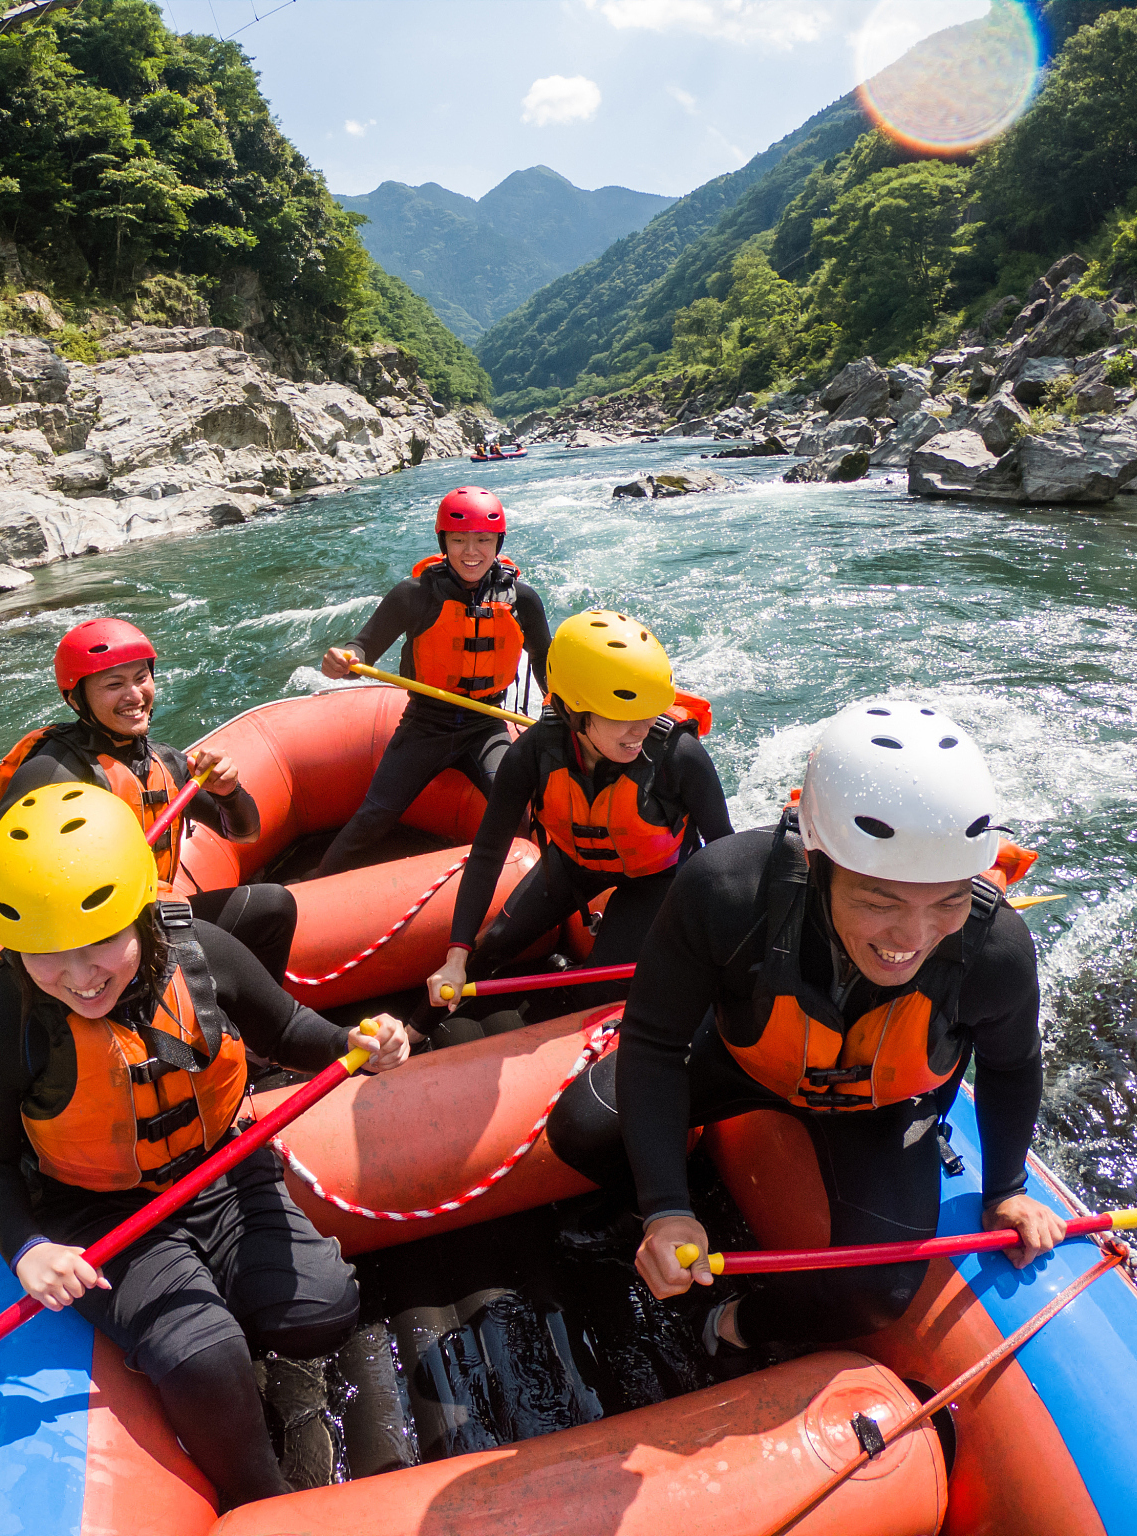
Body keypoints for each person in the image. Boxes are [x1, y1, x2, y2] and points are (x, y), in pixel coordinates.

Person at [543, 699, 1067, 1356]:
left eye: (948, 901)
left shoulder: (996, 952)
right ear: (814, 860)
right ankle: (678, 1195)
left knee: (877, 1293)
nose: (912, 938)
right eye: (880, 901)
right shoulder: (727, 893)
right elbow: (652, 1042)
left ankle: (728, 1326)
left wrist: (1007, 1188)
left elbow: (1012, 1066)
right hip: (742, 1060)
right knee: (580, 1130)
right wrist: (666, 1205)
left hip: (881, 1107)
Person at [0, 784, 413, 1511]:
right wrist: (27, 1248)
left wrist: (351, 1043)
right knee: (200, 1356)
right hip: (100, 1213)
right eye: (46, 953)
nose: (80, 974)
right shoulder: (0, 1027)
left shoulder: (202, 951)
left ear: (140, 914)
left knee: (324, 1309)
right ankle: (261, 1499)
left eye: (100, 939)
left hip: (221, 1174)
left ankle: (237, 1330)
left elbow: (289, 1030)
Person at [417, 610, 733, 1036]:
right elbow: (489, 852)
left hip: (656, 878)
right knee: (490, 947)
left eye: (648, 712)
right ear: (573, 711)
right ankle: (415, 1032)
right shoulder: (531, 754)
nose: (640, 730)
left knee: (601, 989)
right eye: (622, 716)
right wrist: (455, 955)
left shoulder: (679, 756)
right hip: (572, 863)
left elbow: (723, 854)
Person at [0, 617, 297, 982]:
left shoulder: (165, 762)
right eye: (114, 684)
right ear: (76, 699)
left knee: (273, 907)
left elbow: (245, 834)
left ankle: (238, 1027)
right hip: (92, 937)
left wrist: (228, 793)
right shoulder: (53, 769)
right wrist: (41, 942)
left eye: (141, 678)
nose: (135, 696)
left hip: (152, 915)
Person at [313, 487, 553, 877]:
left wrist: (561, 708)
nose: (470, 551)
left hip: (486, 722)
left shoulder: (521, 598)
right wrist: (344, 660)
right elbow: (362, 646)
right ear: (443, 542)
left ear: (498, 542)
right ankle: (313, 881)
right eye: (458, 540)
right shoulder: (414, 595)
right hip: (425, 723)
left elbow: (545, 662)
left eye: (483, 540)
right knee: (375, 817)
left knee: (521, 812)